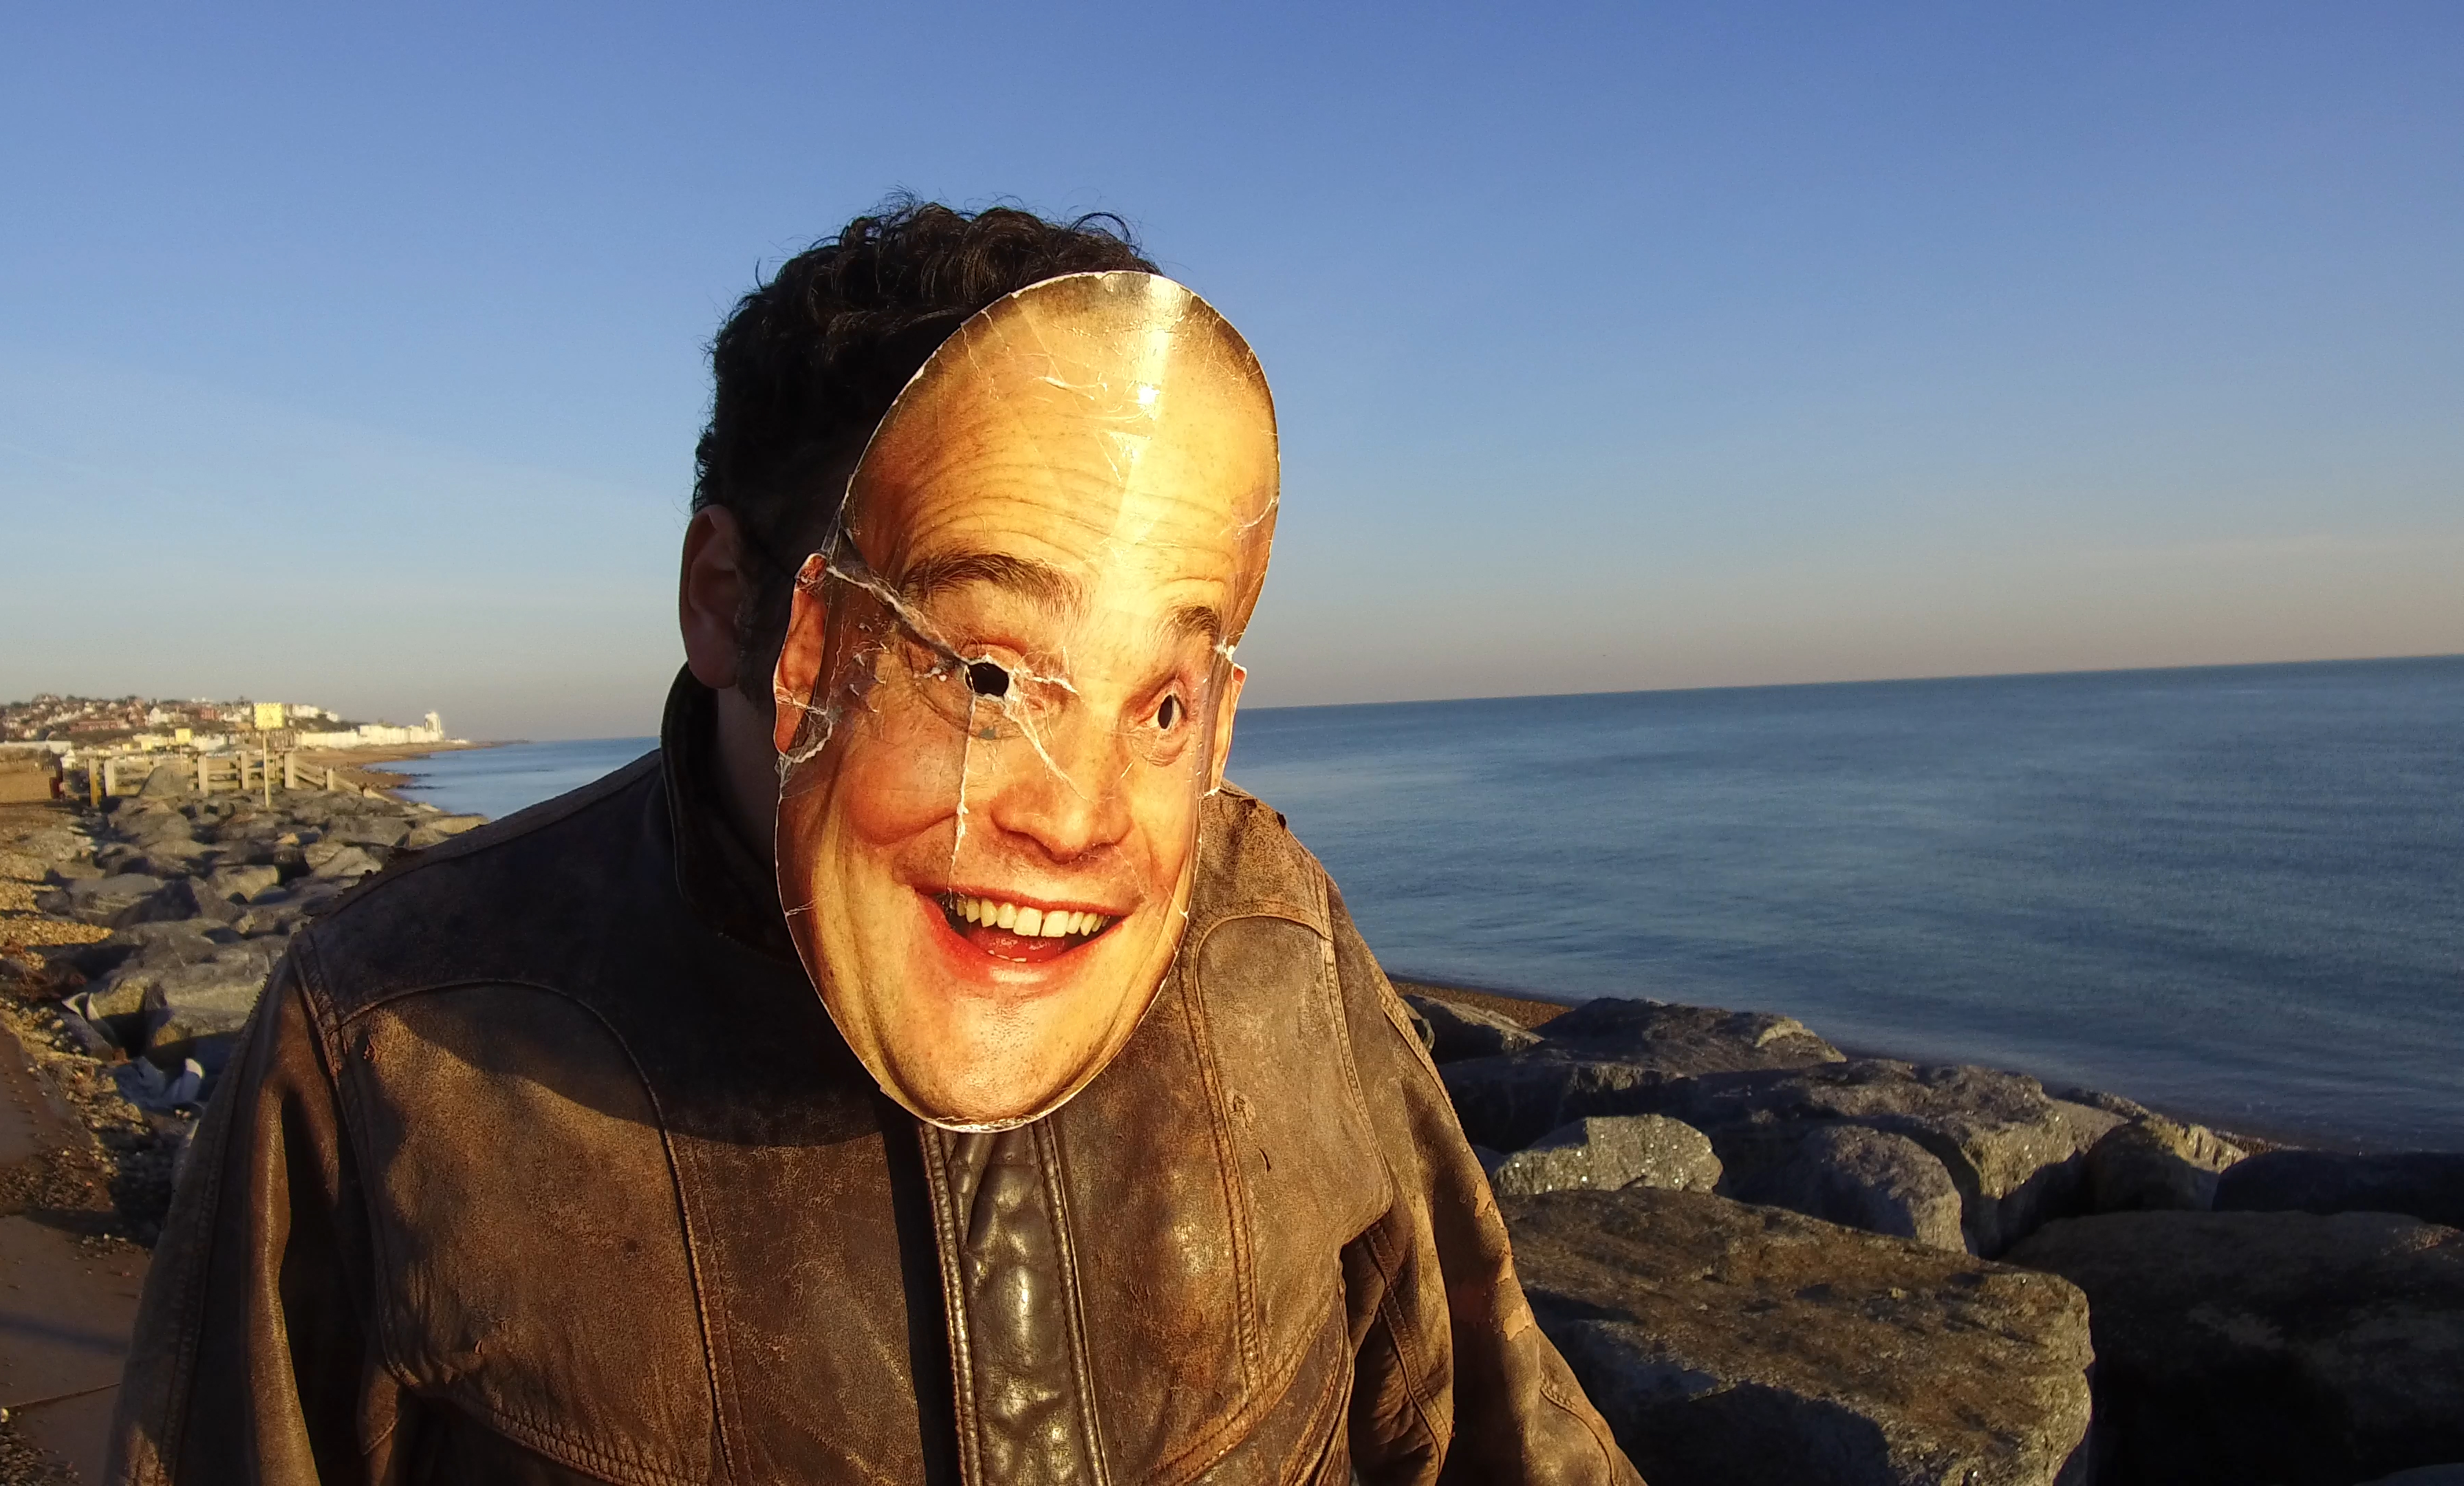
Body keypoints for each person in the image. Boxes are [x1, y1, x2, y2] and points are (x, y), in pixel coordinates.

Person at [108, 200, 1643, 1485]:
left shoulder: (1272, 940)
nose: (1084, 819)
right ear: (731, 598)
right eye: (982, 675)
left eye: (1163, 702)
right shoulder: (392, 1040)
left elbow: (1494, 1420)